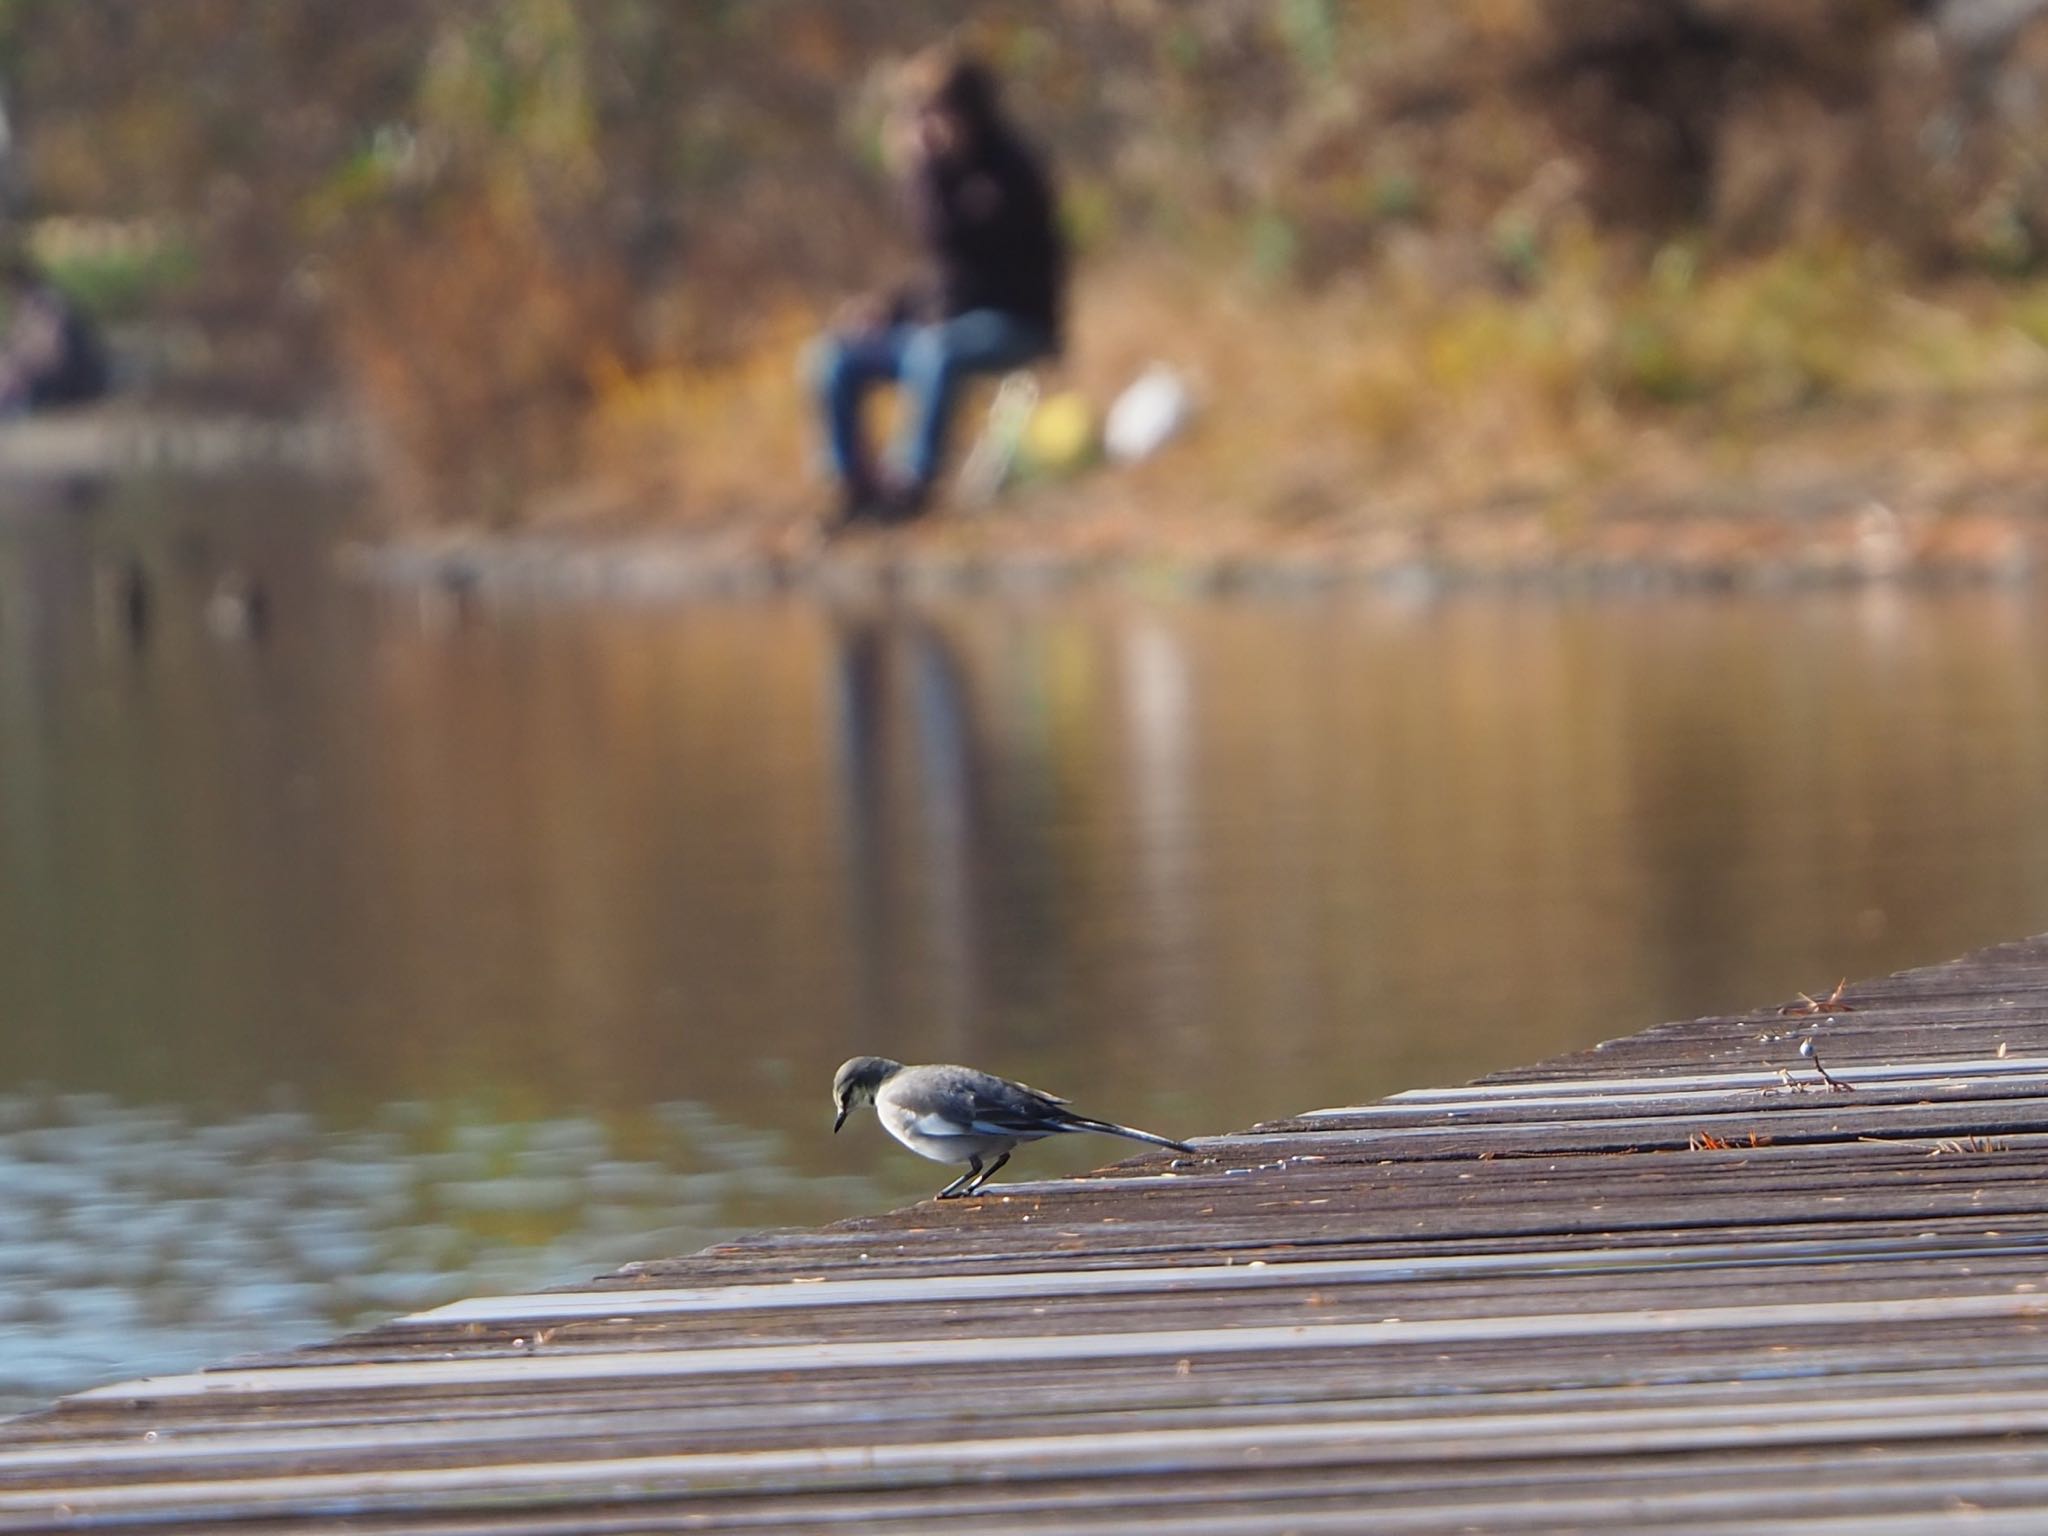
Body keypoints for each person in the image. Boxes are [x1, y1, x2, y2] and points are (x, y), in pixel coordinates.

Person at [807, 48, 1066, 527]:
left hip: (1015, 323)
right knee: (835, 356)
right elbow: (942, 274)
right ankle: (855, 488)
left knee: (935, 351)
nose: (926, 125)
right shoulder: (944, 175)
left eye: (935, 111)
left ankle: (911, 486)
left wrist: (920, 172)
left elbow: (968, 258)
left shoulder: (1009, 172)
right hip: (946, 324)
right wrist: (887, 310)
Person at [0, 253, 107, 415]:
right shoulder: (36, 304)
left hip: (73, 381)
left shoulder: (44, 305)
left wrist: (17, 362)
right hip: (60, 377)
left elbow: (49, 355)